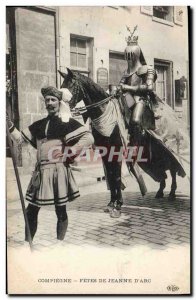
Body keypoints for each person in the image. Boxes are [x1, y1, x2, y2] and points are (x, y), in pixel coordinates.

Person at [7, 86, 94, 242]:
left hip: (58, 171)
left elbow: (88, 138)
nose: (50, 103)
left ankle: (59, 245)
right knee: (31, 211)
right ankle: (28, 245)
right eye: (47, 100)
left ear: (59, 102)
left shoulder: (66, 122)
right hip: (40, 173)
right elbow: (20, 139)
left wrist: (70, 152)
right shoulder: (39, 124)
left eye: (53, 100)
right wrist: (9, 125)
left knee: (60, 210)